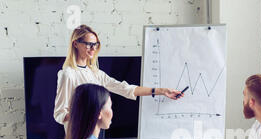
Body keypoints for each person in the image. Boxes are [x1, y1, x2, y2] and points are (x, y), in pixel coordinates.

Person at [54, 25, 183, 128]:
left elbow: (124, 88)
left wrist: (162, 91)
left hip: (97, 133)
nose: (93, 48)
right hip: (79, 138)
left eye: (95, 44)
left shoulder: (95, 73)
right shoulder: (68, 74)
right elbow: (59, 114)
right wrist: (85, 114)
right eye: (89, 44)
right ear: (75, 44)